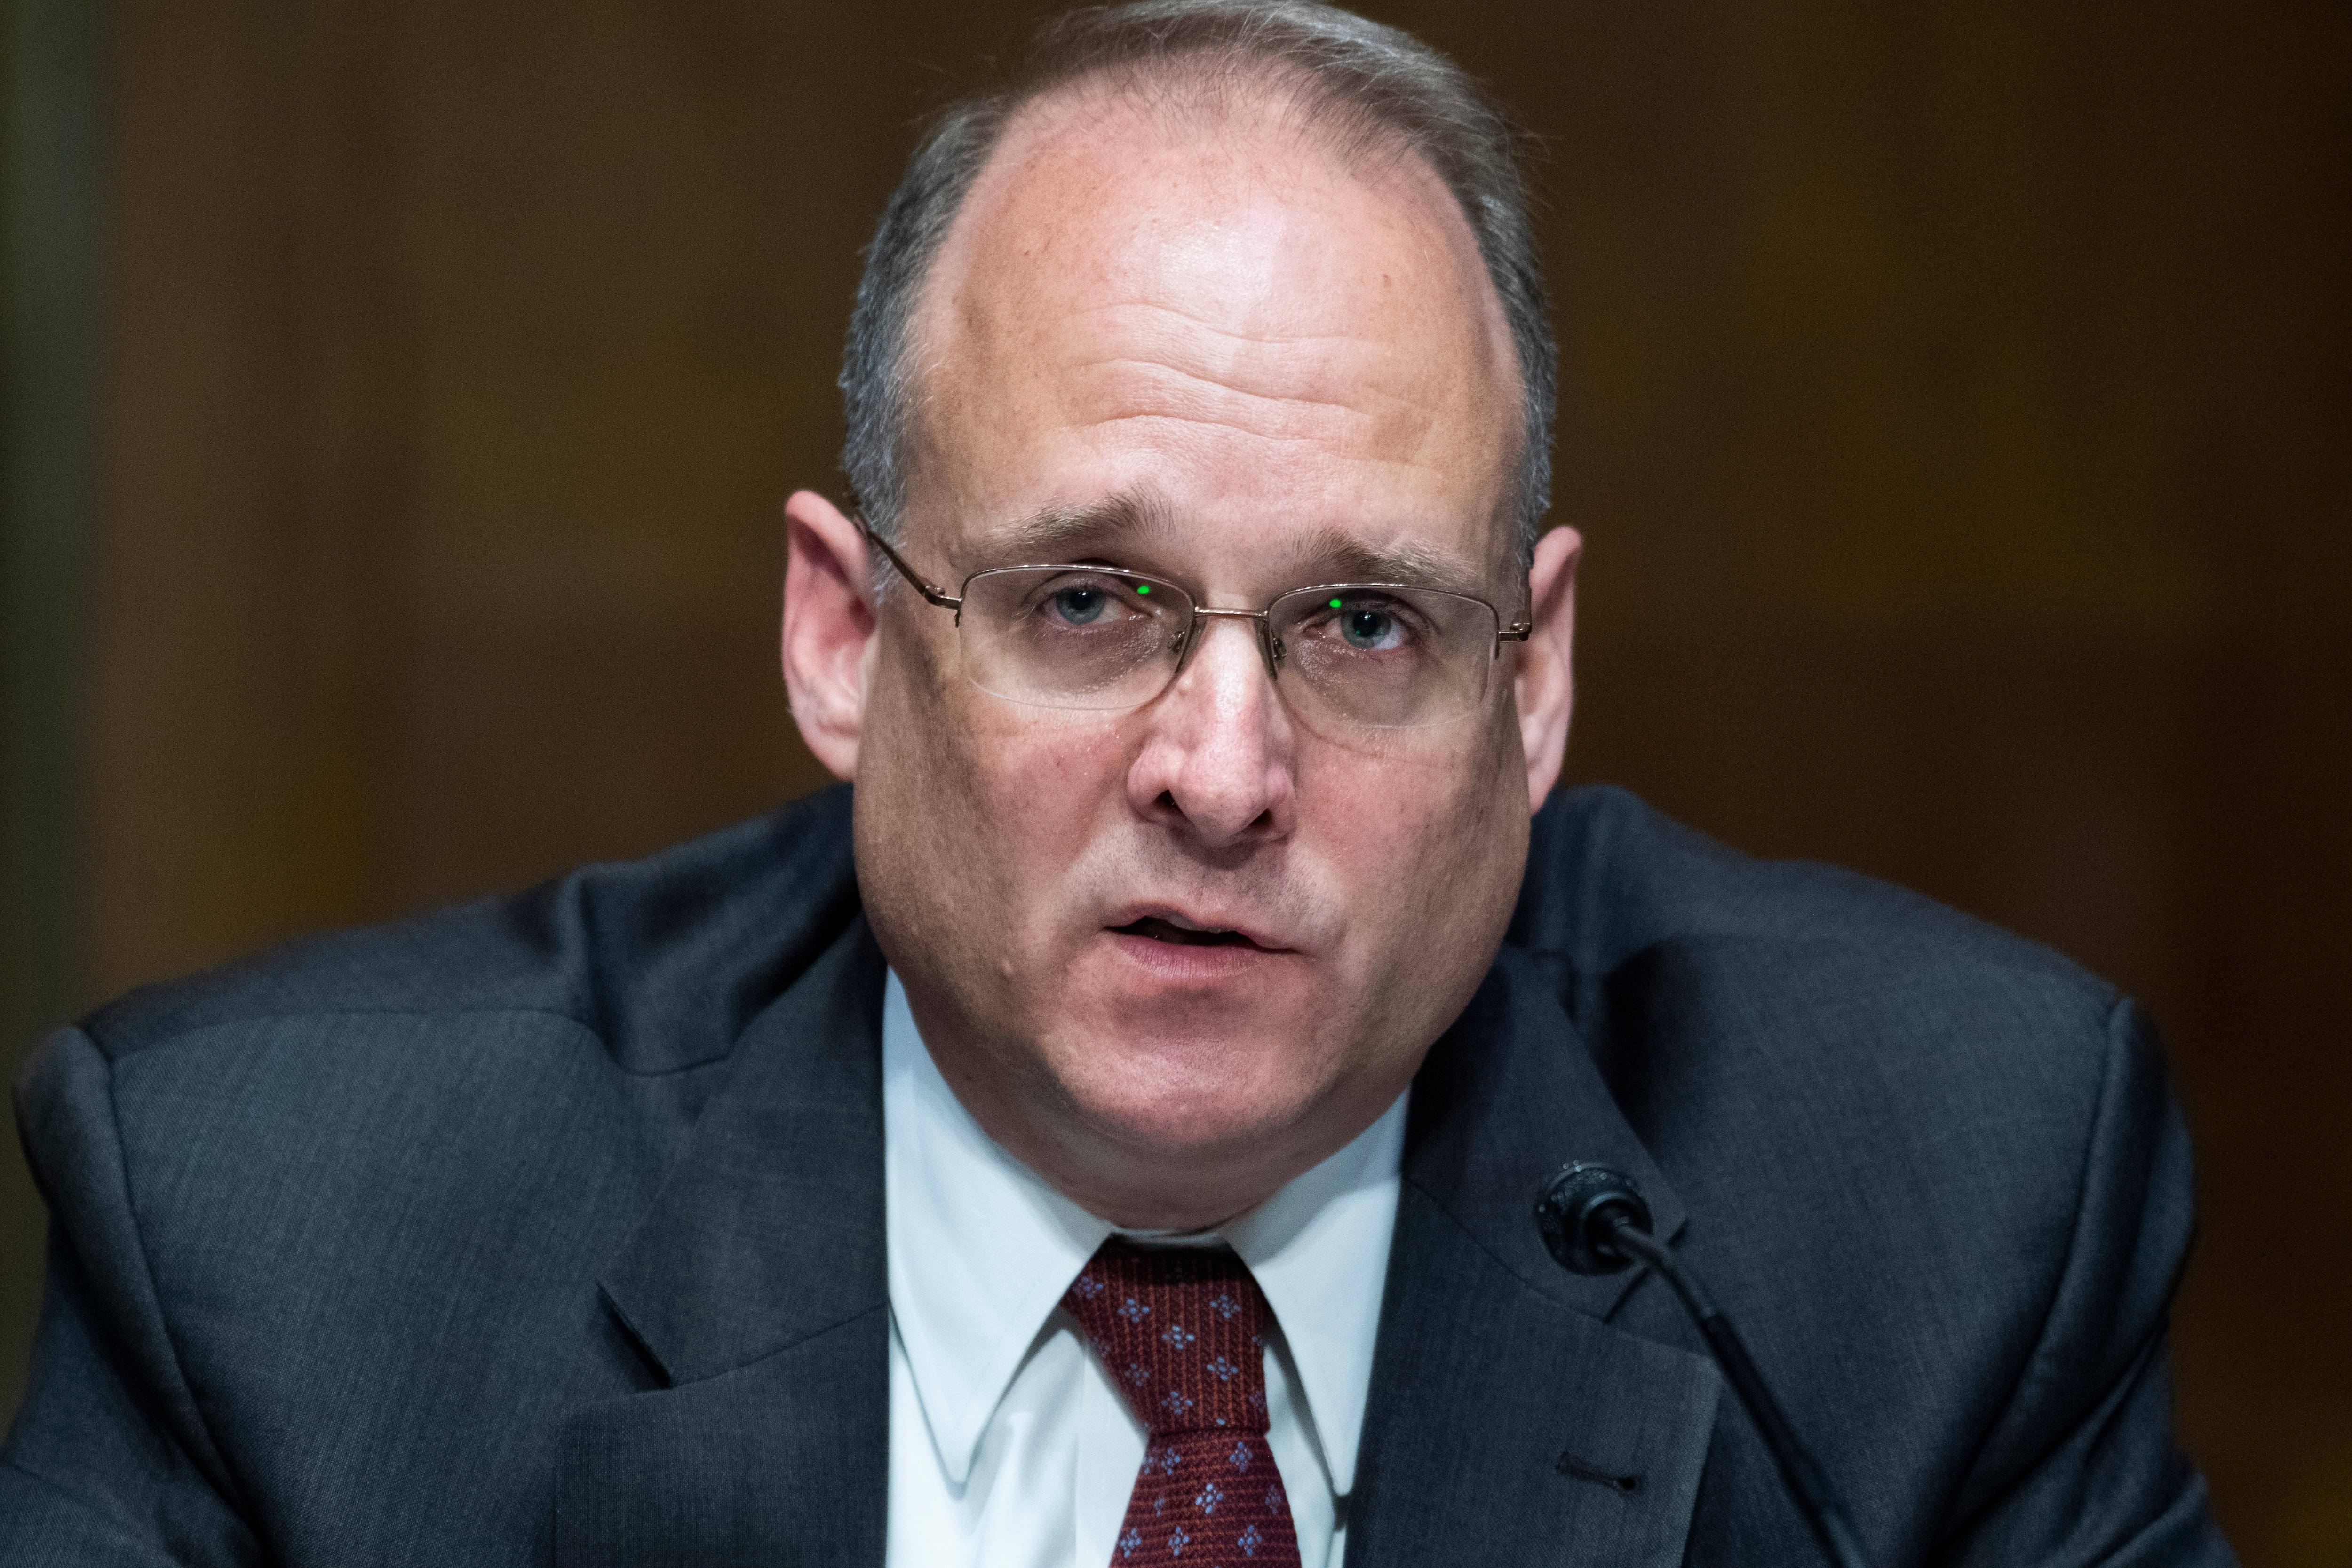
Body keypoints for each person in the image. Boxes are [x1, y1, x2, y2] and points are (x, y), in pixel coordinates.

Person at [3, 2, 2233, 1564]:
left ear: (1531, 686)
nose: (1224, 770)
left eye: (1363, 626)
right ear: (844, 636)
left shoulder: (1939, 1207)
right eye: (1088, 602)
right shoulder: (287, 1251)